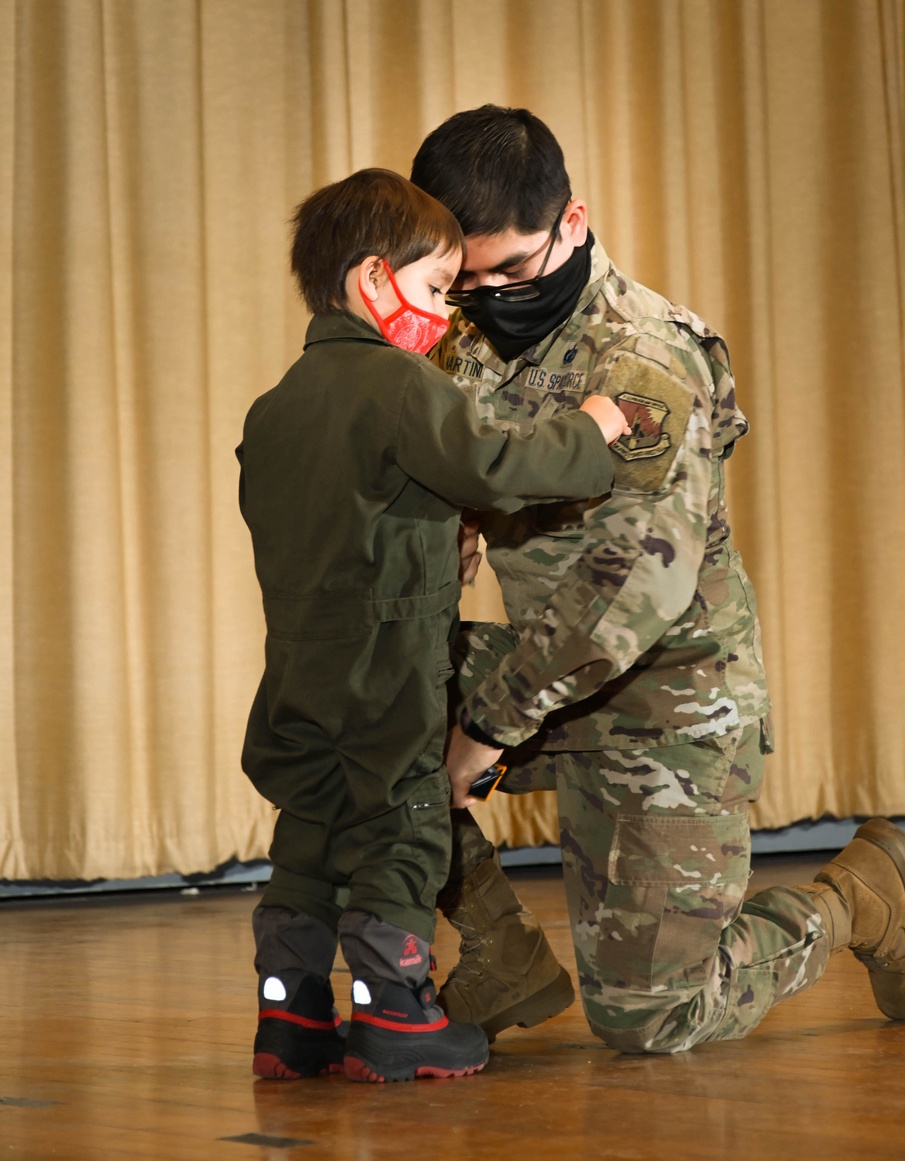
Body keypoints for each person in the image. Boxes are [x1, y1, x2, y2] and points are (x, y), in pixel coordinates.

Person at [410, 107, 905, 1053]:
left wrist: (480, 727)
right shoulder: (463, 343)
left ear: (572, 223)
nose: (489, 296)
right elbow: (451, 504)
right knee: (352, 694)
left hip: (669, 699)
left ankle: (858, 897)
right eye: (467, 279)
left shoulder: (645, 357)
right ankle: (500, 949)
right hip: (549, 674)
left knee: (650, 1017)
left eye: (513, 268)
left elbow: (633, 589)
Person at [236, 168, 628, 1082]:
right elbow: (493, 467)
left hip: (296, 658)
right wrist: (592, 428)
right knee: (399, 821)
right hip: (388, 655)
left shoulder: (276, 406)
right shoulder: (401, 385)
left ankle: (288, 1015)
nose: (447, 316)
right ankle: (396, 1013)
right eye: (435, 290)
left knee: (310, 825)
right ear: (374, 279)